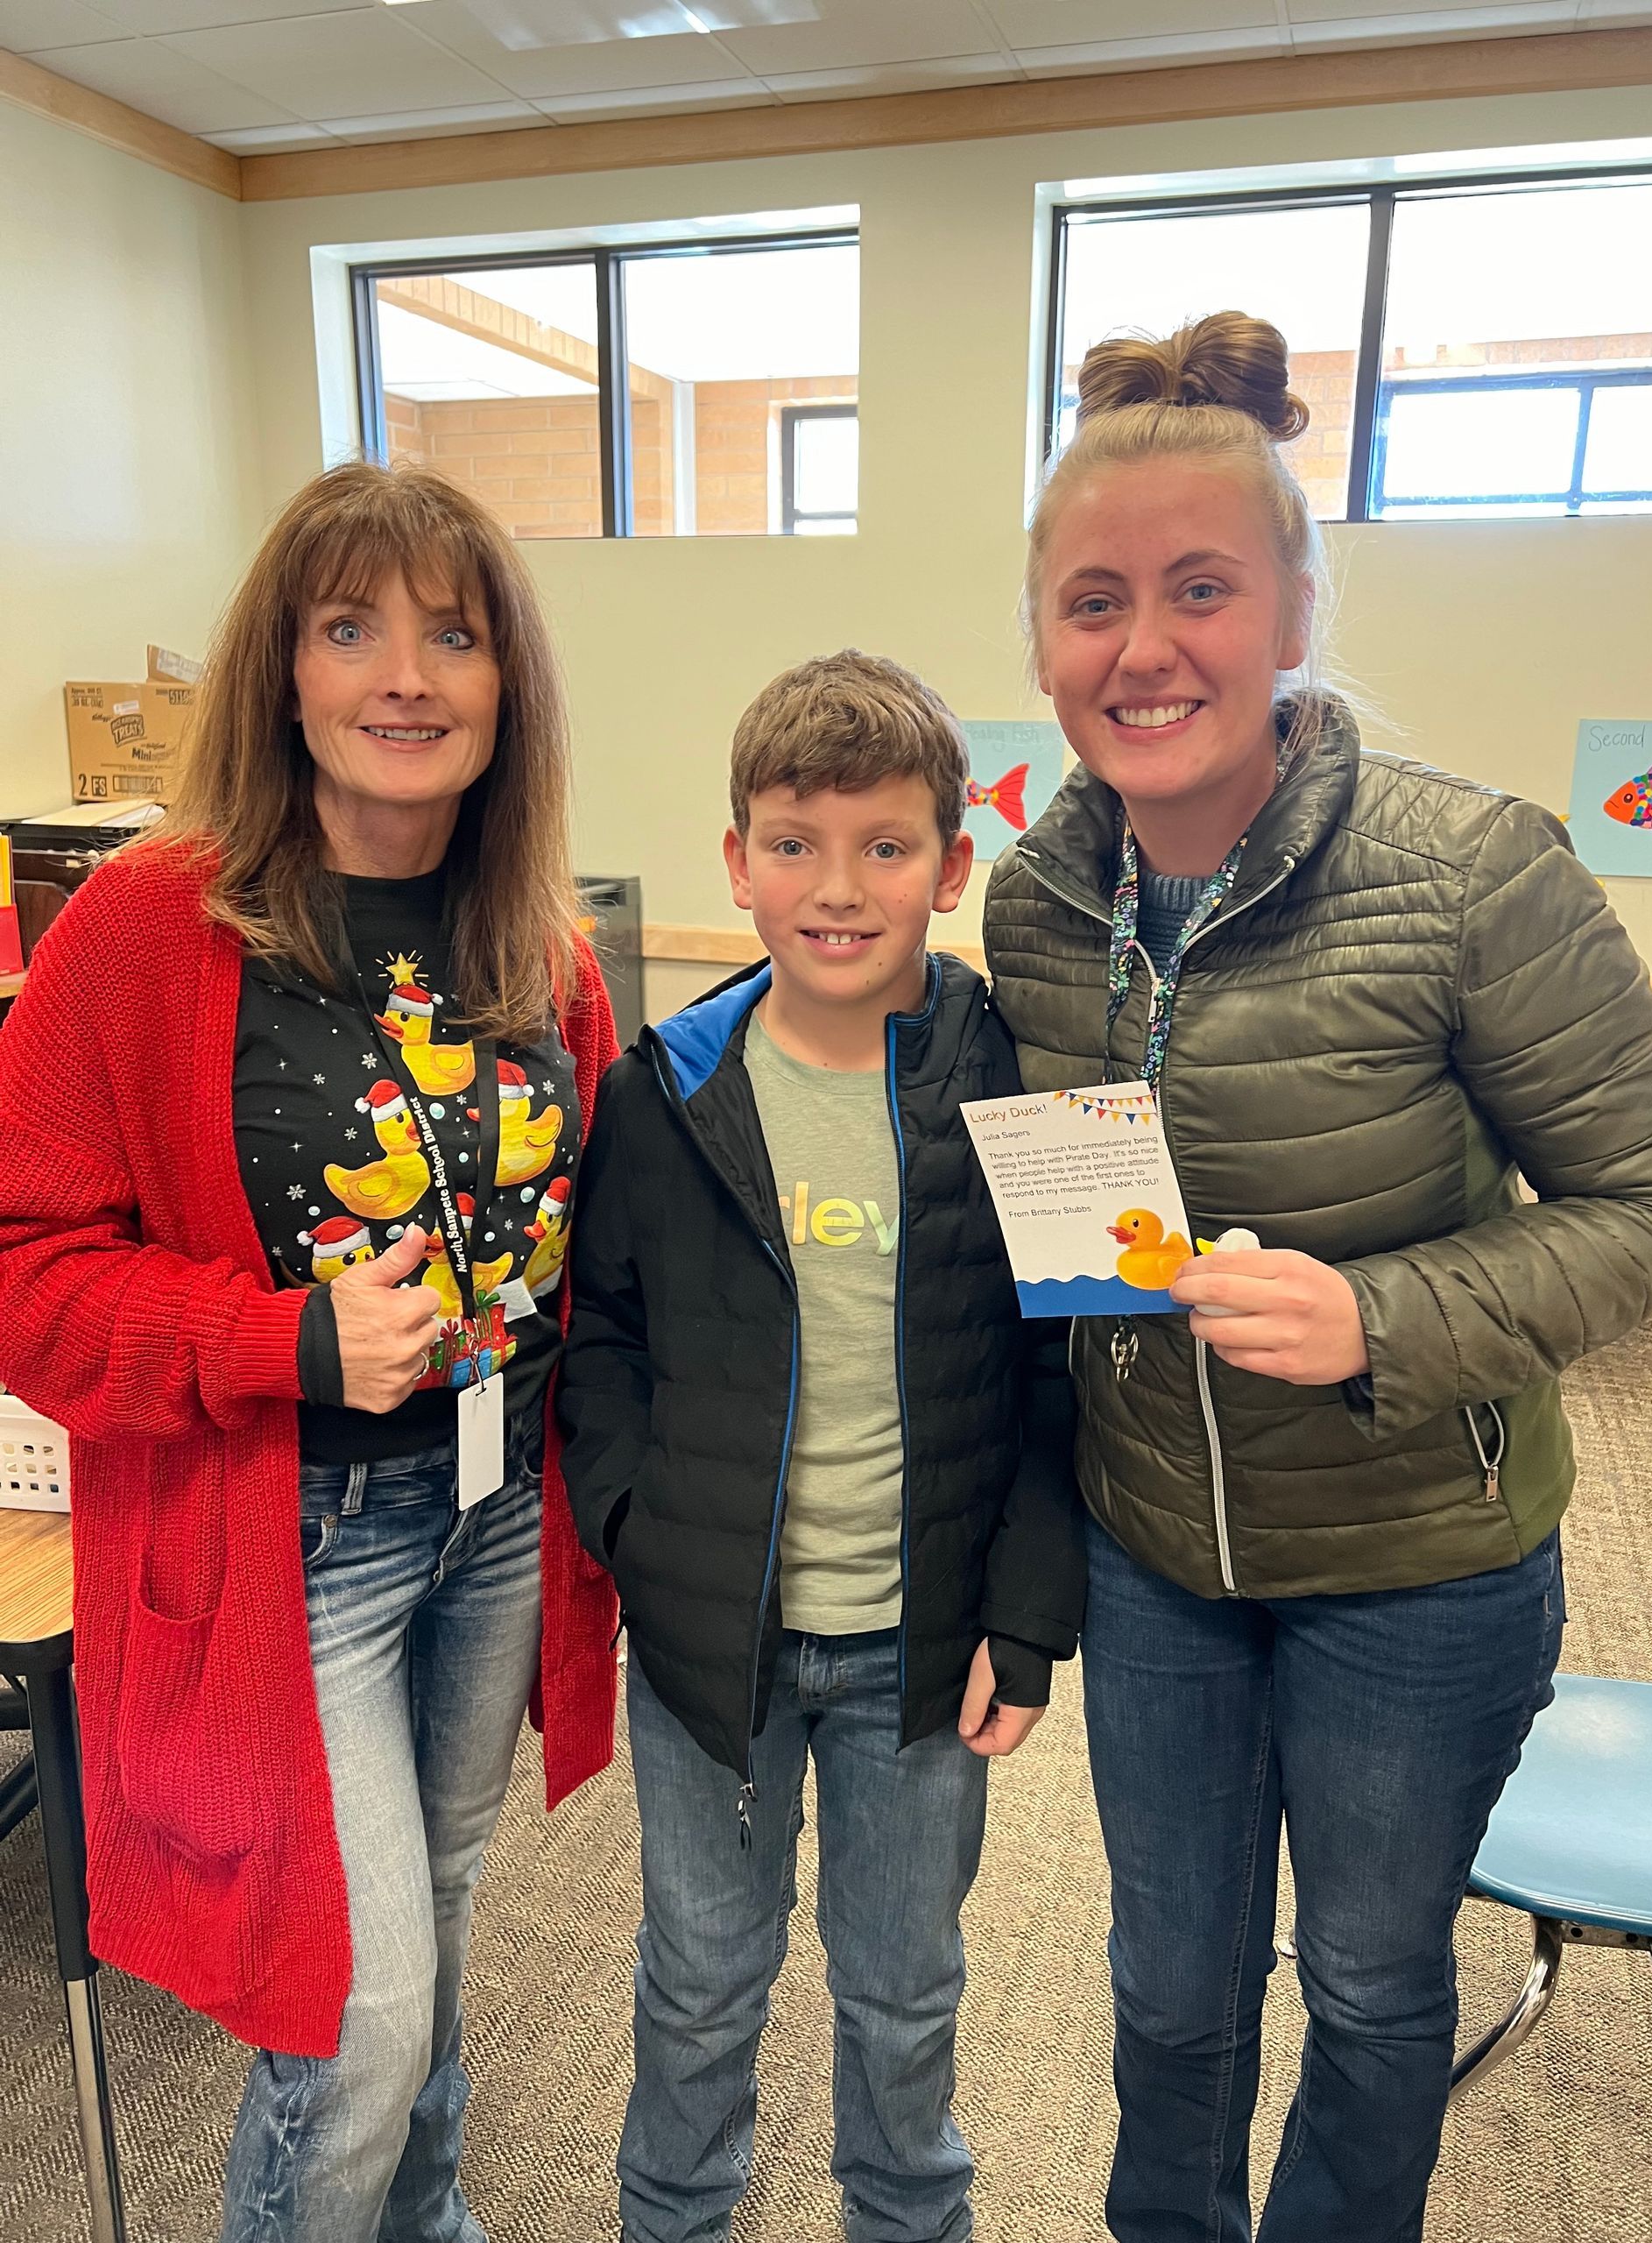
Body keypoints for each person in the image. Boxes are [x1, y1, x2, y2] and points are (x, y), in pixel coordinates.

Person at [983, 313, 1652, 2242]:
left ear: (1294, 603)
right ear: (1045, 639)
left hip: (1419, 1565)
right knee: (1166, 1987)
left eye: (1202, 588)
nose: (1146, 648)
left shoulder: (1474, 871)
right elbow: (1055, 1260)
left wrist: (1385, 1317)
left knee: (1374, 1987)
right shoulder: (1033, 904)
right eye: (1095, 601)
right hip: (1156, 1558)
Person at [0, 461, 620, 2243]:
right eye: (351, 628)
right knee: (350, 2014)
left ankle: (421, 2218)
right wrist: (272, 1335)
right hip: (289, 1547)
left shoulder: (538, 942)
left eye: (451, 632)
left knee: (434, 1916)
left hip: (492, 1511)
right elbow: (23, 1271)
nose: (404, 675)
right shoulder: (147, 924)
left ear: (508, 683)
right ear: (285, 670)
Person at [559, 650, 1086, 2243]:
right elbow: (605, 1343)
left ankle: (909, 2219)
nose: (837, 888)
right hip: (712, 1646)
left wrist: (1030, 1619)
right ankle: (674, 2219)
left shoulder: (1019, 1082)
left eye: (885, 846)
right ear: (737, 861)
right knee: (703, 1983)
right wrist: (637, 1532)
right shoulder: (669, 1089)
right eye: (793, 844)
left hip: (923, 1659)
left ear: (953, 863)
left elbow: (1065, 1378)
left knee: (904, 1988)